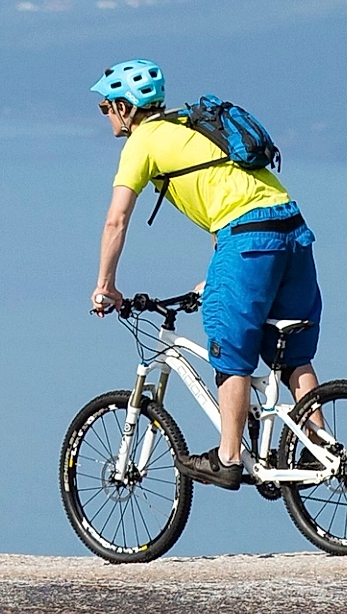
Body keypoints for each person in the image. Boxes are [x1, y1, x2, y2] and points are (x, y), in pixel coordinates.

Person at [87, 58, 316, 490]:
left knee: (229, 349)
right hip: (291, 229)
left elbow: (116, 220)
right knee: (292, 354)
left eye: (106, 108)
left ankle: (228, 456)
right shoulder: (189, 126)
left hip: (247, 237)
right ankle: (322, 446)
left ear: (124, 107)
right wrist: (217, 275)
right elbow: (224, 194)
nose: (105, 116)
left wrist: (105, 286)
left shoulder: (142, 143)